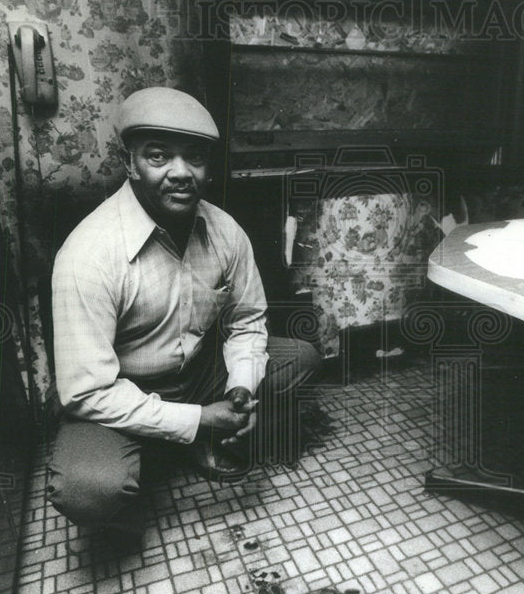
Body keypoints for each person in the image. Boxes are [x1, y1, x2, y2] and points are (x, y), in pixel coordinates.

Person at [46, 87, 321, 535]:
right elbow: (85, 391)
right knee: (89, 491)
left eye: (194, 157)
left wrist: (240, 388)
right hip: (121, 388)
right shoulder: (88, 255)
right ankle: (176, 442)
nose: (181, 173)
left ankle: (200, 435)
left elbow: (247, 322)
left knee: (302, 358)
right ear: (129, 163)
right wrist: (197, 420)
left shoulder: (225, 230)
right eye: (158, 157)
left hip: (199, 372)